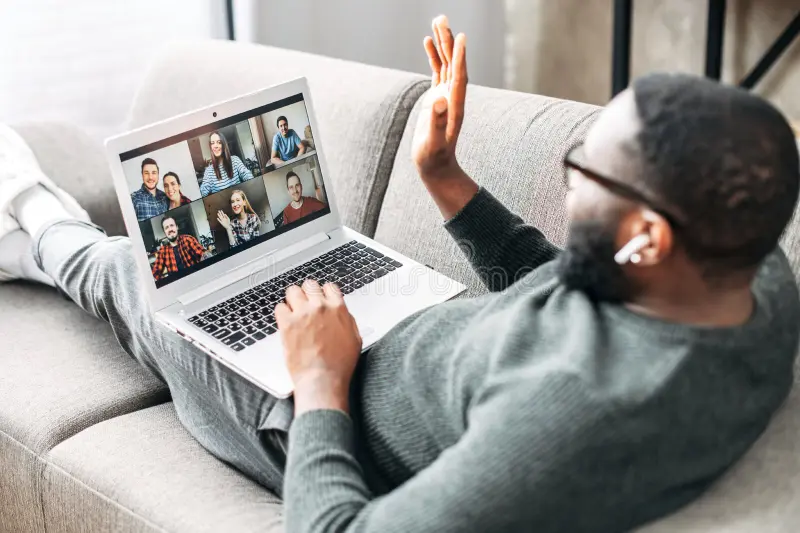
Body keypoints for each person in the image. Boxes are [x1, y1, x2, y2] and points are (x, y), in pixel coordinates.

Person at [1, 15, 799, 533]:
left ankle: (35, 222)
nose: (569, 180)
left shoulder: (571, 415)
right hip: (403, 326)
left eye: (587, 169)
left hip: (310, 409)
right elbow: (569, 287)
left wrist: (319, 377)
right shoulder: (753, 275)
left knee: (137, 277)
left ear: (650, 235)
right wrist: (448, 178)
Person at [199, 131, 255, 197]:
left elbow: (246, 174)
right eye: (212, 143)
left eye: (219, 142)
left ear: (223, 144)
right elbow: (203, 190)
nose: (215, 146)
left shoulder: (235, 160)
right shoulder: (208, 171)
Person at [150, 216, 206, 281]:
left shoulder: (188, 239)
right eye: (166, 227)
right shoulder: (163, 251)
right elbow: (155, 274)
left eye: (172, 225)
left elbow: (204, 254)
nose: (170, 229)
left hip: (197, 280)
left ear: (177, 227)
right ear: (164, 232)